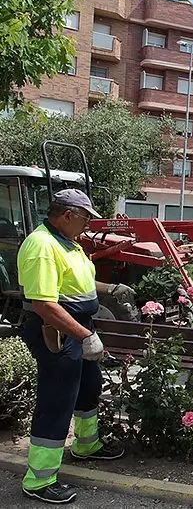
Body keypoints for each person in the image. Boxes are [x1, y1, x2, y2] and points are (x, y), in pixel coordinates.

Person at [17, 189, 130, 504]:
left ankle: (86, 445)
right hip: (57, 333)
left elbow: (76, 282)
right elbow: (43, 303)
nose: (87, 225)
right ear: (67, 215)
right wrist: (84, 335)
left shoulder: (68, 244)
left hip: (77, 329)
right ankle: (39, 480)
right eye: (85, 218)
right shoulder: (42, 245)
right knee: (57, 400)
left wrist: (110, 288)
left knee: (88, 388)